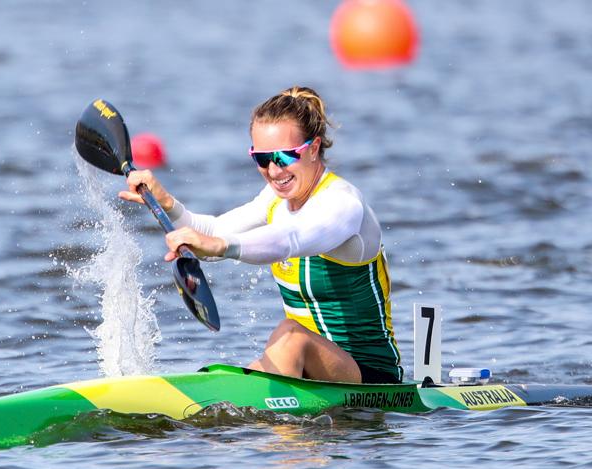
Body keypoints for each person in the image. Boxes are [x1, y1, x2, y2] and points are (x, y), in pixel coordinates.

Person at [119, 86, 402, 384]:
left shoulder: (343, 204)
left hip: (371, 377)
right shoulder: (273, 200)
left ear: (314, 148)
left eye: (283, 156)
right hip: (310, 372)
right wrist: (166, 203)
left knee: (290, 335)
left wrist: (217, 247)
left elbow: (289, 240)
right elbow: (214, 230)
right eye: (261, 158)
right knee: (236, 373)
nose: (273, 170)